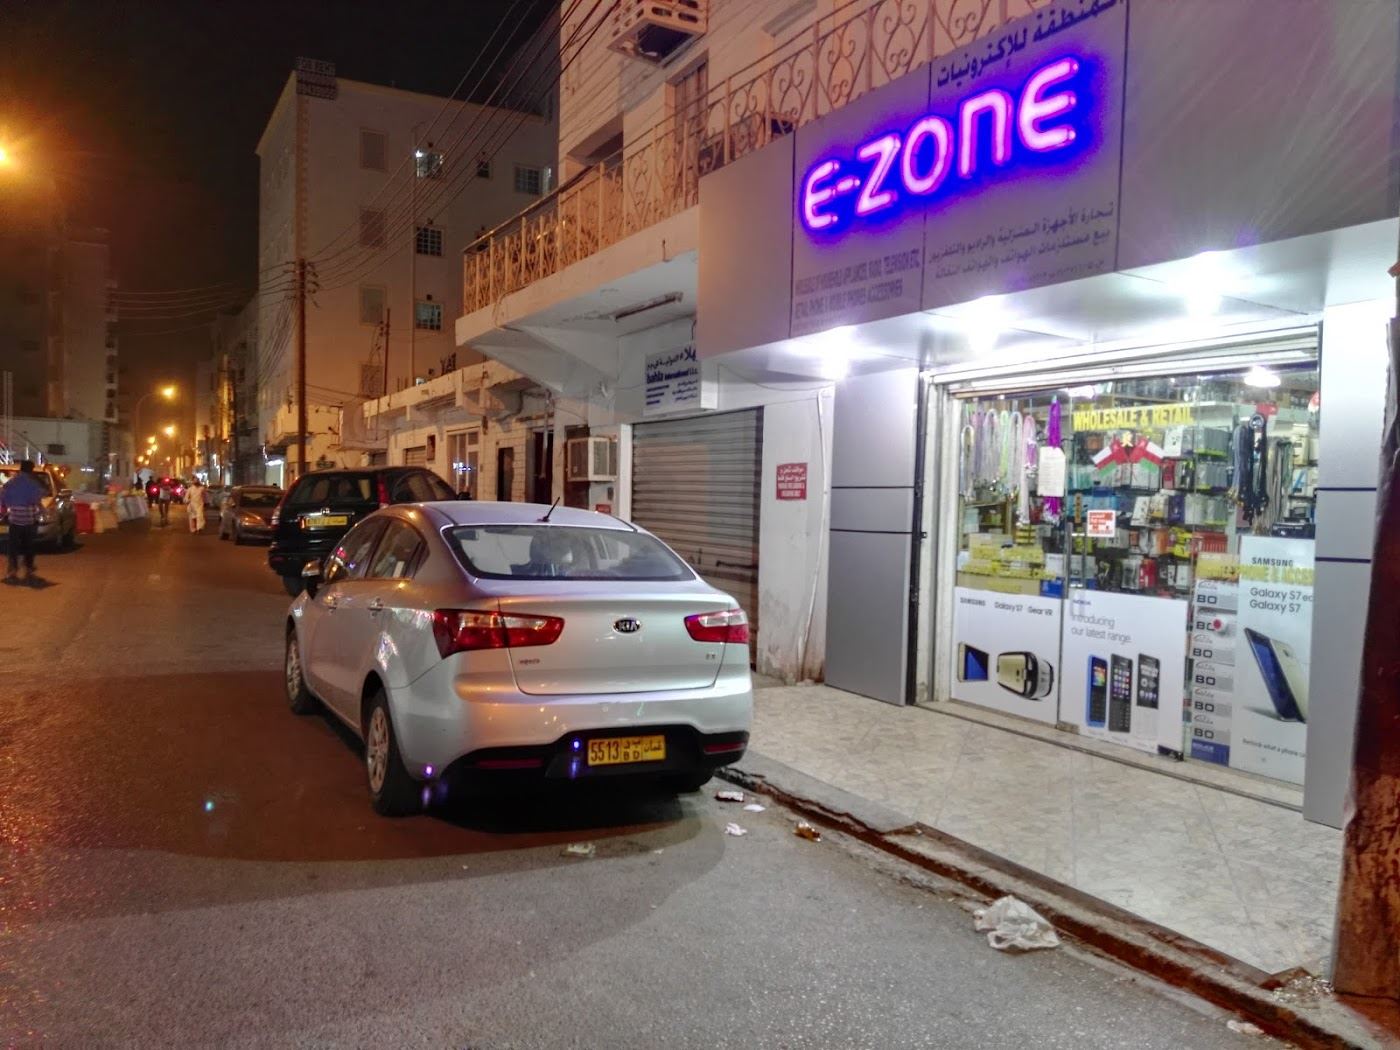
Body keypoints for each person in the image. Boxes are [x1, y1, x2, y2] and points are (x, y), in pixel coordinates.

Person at [1, 460, 45, 584]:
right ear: (31, 470)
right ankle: (28, 570)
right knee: (28, 547)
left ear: (21, 469)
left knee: (13, 547)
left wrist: (7, 506)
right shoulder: (33, 484)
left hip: (15, 519)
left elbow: (3, 496)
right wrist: (41, 510)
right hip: (28, 520)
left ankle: (12, 571)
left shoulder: (12, 482)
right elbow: (37, 499)